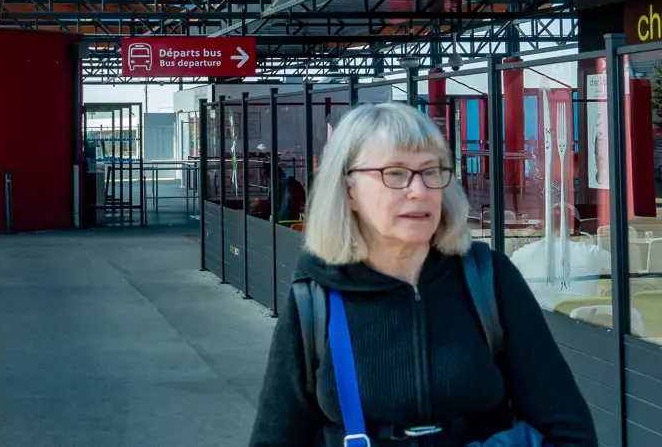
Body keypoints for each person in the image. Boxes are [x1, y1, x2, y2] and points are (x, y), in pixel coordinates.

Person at [247, 102, 597, 447]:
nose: (420, 190)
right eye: (395, 173)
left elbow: (569, 432)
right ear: (349, 190)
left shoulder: (489, 279)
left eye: (431, 171)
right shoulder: (315, 299)